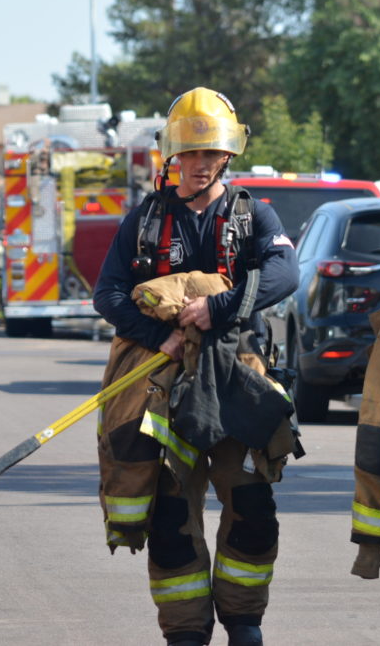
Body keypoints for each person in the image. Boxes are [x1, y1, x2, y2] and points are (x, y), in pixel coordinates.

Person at [93, 87, 299, 646]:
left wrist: (219, 307)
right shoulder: (145, 220)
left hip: (236, 379)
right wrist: (158, 336)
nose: (201, 163)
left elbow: (286, 273)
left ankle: (244, 622)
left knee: (252, 506)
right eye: (190, 152)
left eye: (211, 152)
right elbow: (108, 293)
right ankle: (185, 631)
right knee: (169, 516)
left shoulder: (253, 215)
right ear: (173, 156)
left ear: (228, 154)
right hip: (162, 386)